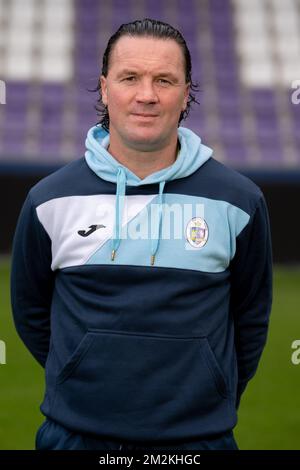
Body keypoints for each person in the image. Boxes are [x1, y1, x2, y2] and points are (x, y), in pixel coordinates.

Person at [10, 18, 272, 451]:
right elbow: (31, 311)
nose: (146, 95)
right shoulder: (48, 200)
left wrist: (210, 390)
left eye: (164, 80)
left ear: (186, 93)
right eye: (130, 77)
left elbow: (251, 318)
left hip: (198, 443)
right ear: (105, 87)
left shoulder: (240, 201)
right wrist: (80, 369)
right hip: (74, 438)